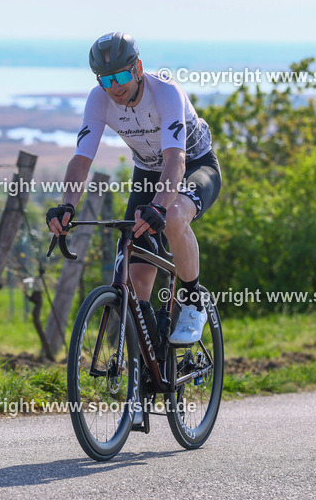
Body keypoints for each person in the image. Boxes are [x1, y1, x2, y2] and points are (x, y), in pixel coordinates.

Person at [46, 32, 222, 346]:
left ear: (138, 68)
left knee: (173, 216)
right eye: (106, 79)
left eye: (122, 75)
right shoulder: (99, 99)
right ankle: (152, 359)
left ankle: (193, 299)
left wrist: (160, 206)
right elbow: (82, 159)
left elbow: (175, 159)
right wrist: (67, 206)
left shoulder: (165, 91)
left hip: (194, 164)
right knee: (134, 279)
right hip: (148, 173)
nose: (115, 86)